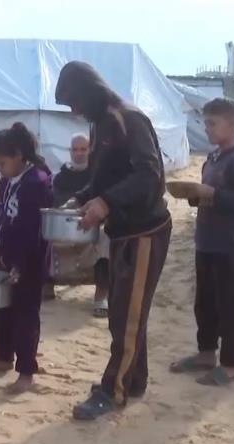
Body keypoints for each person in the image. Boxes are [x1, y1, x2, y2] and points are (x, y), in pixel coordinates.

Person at [53, 61, 172, 420]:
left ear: (89, 92)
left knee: (127, 317)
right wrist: (84, 196)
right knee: (125, 312)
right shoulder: (100, 123)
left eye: (73, 102)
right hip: (123, 231)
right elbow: (105, 174)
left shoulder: (127, 119)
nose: (73, 111)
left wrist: (106, 202)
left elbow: (150, 175)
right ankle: (134, 379)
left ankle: (113, 389)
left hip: (145, 231)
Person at [170, 98, 234, 386]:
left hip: (231, 246)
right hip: (207, 241)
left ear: (230, 125)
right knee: (204, 303)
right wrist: (193, 194)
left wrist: (211, 193)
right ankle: (206, 353)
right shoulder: (213, 158)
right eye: (205, 122)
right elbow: (210, 195)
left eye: (212, 123)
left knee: (230, 306)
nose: (206, 128)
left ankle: (232, 365)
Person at [0, 122, 52, 394]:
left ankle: (26, 371)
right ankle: (3, 357)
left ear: (18, 155)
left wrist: (21, 265)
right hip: (5, 259)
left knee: (26, 315)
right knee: (2, 310)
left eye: (1, 162)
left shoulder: (37, 183)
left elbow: (35, 230)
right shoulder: (6, 183)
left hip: (30, 263)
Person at [44, 133, 110, 317]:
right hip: (62, 231)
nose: (79, 153)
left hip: (90, 230)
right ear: (70, 151)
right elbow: (53, 203)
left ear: (90, 151)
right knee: (39, 232)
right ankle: (46, 285)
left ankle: (101, 295)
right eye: (75, 149)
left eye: (83, 149)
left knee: (107, 237)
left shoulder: (98, 176)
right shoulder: (59, 178)